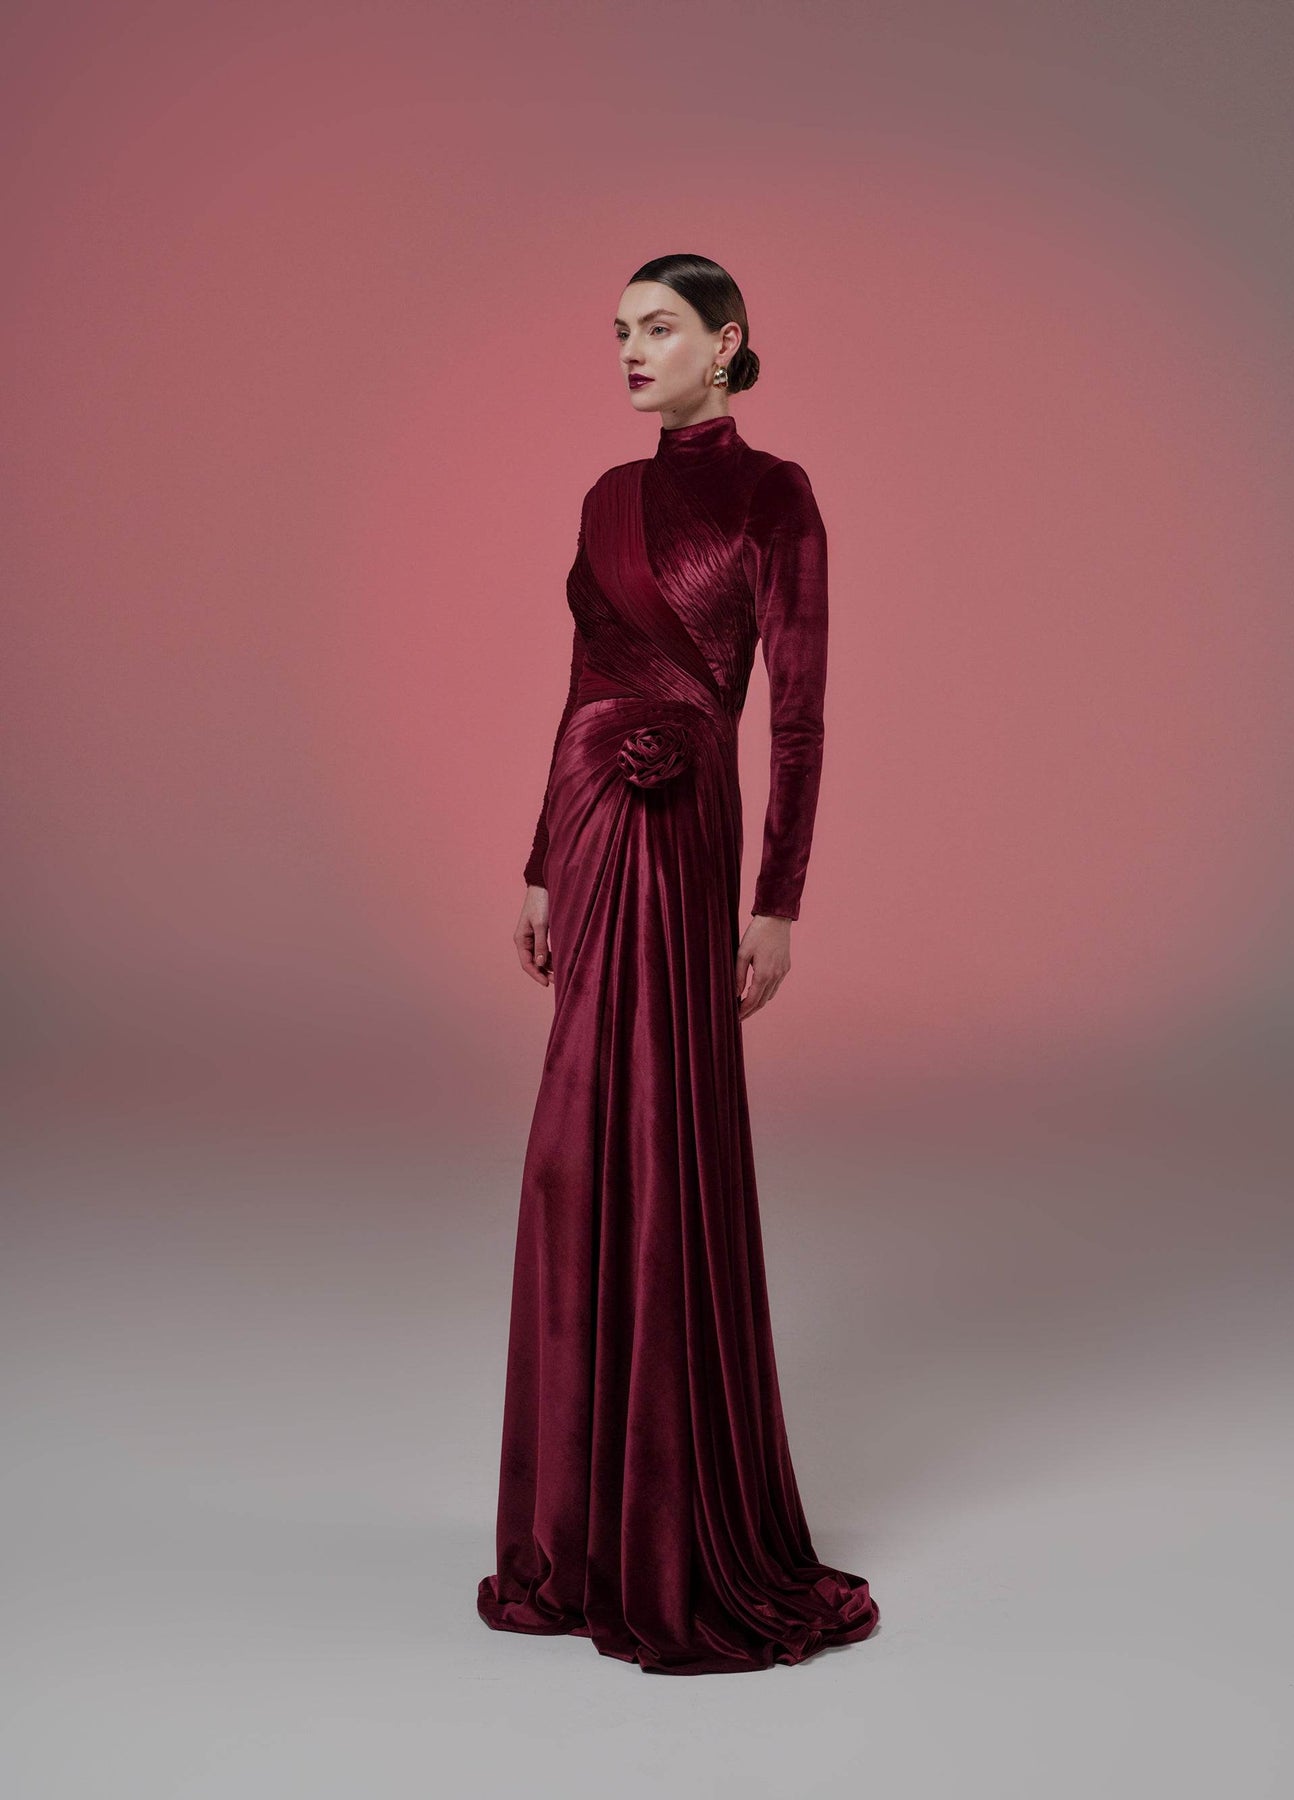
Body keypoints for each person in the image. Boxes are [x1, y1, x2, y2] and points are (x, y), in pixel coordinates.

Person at [476, 253, 880, 1674]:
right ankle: (580, 1523)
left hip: (690, 818)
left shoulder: (777, 496)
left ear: (728, 340)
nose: (631, 351)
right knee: (573, 1147)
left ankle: (669, 1510)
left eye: (658, 327)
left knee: (664, 1128)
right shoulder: (605, 495)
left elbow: (799, 717)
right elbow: (580, 684)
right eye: (619, 331)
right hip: (593, 813)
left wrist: (778, 900)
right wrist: (540, 858)